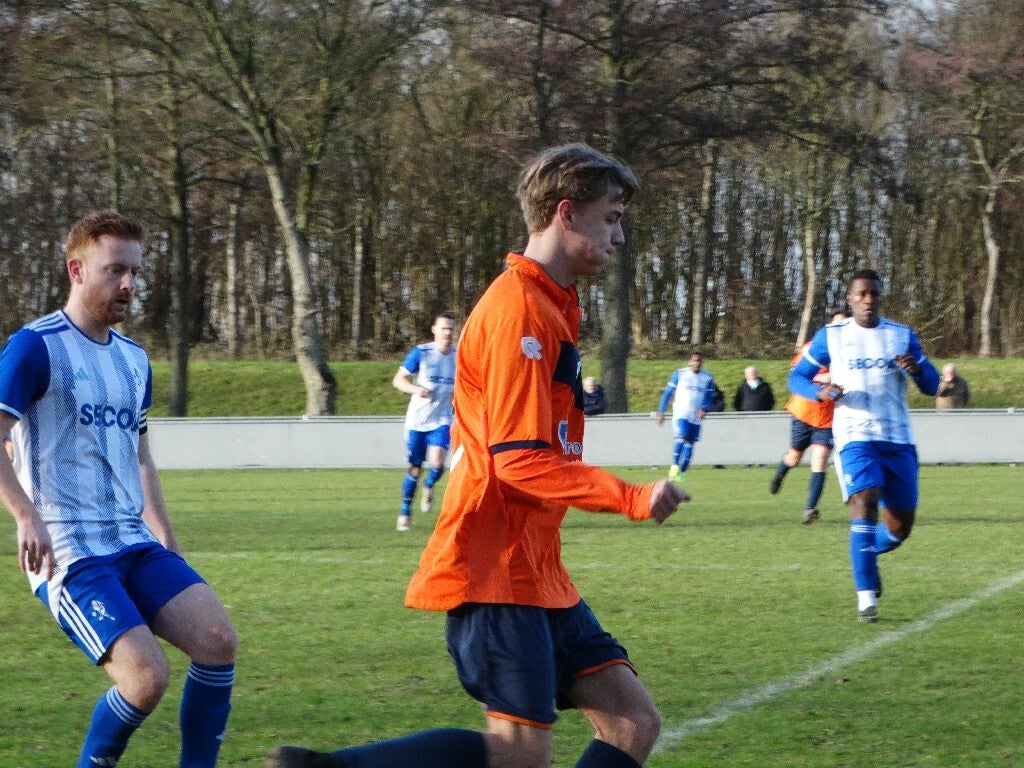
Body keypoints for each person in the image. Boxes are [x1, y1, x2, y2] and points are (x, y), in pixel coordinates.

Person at [268, 144, 690, 768]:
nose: (619, 236)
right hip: (497, 568)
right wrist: (630, 497)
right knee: (519, 753)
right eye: (612, 218)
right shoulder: (519, 308)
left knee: (632, 722)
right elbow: (517, 459)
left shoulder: (551, 305)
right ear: (566, 213)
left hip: (538, 569)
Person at [0, 210, 237, 767]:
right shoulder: (35, 347)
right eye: (114, 271)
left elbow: (141, 456)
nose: (128, 284)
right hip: (68, 549)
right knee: (145, 679)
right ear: (76, 270)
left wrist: (165, 536)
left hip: (132, 539)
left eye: (134, 272)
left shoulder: (135, 360)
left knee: (217, 641)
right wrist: (25, 515)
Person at [789, 269, 938, 623]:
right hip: (854, 436)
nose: (868, 299)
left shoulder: (901, 335)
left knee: (900, 528)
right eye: (862, 294)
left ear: (881, 297)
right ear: (850, 298)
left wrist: (917, 370)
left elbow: (932, 386)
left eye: (874, 294)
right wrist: (820, 392)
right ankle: (866, 600)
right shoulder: (831, 336)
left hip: (898, 439)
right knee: (864, 500)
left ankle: (870, 553)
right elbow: (796, 377)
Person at [769, 310, 847, 525]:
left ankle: (810, 508)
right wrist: (824, 378)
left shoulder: (850, 350)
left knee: (819, 460)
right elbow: (797, 373)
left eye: (845, 323)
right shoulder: (814, 346)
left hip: (828, 417)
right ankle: (780, 474)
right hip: (804, 411)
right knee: (794, 457)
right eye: (837, 324)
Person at [392, 312, 457, 531]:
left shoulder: (459, 355)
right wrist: (416, 389)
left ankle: (429, 485)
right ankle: (405, 512)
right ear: (434, 330)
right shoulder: (421, 353)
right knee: (415, 469)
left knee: (437, 463)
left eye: (451, 328)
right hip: (417, 421)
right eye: (444, 328)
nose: (447, 332)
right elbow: (398, 380)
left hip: (442, 418)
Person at [655, 352, 716, 482]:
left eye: (699, 361)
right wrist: (661, 411)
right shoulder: (680, 374)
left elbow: (709, 397)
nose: (696, 363)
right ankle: (674, 466)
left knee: (689, 444)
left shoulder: (707, 377)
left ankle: (682, 473)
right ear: (690, 361)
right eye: (694, 360)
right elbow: (668, 393)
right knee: (681, 438)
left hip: (695, 416)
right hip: (681, 413)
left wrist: (705, 408)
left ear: (702, 362)